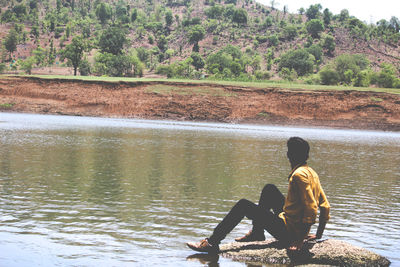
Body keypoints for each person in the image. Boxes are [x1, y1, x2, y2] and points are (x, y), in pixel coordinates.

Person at [187, 137, 330, 254]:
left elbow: (311, 209)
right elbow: (325, 206)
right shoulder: (311, 172)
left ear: (289, 155)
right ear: (307, 156)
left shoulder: (298, 176)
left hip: (289, 232)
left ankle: (212, 242)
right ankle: (257, 233)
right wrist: (318, 234)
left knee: (243, 205)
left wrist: (299, 241)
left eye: (288, 151)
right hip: (290, 222)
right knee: (270, 189)